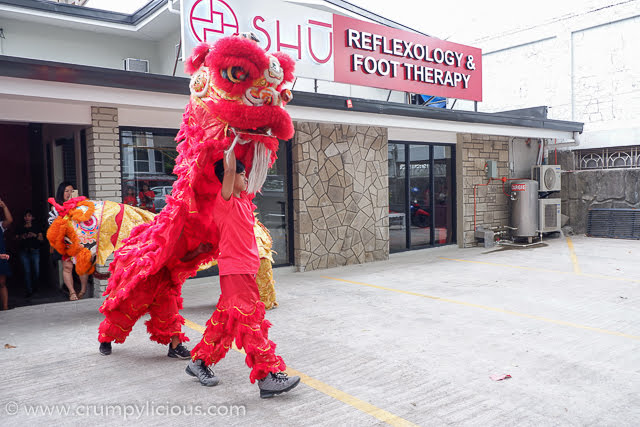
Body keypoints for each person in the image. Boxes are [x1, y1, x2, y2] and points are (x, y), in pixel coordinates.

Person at [186, 150, 300, 398]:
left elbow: (252, 170)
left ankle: (199, 362)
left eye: (245, 173)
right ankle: (267, 377)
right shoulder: (224, 201)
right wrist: (232, 144)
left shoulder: (244, 201)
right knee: (250, 322)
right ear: (228, 177)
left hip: (246, 271)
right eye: (241, 174)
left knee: (225, 322)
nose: (245, 177)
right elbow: (228, 170)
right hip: (235, 271)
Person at [52, 182, 89, 301]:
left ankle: (83, 290)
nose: (69, 193)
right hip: (64, 240)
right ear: (61, 192)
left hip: (79, 239)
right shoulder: (56, 207)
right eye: (66, 191)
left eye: (71, 191)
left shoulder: (80, 206)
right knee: (67, 267)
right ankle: (72, 292)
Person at [16, 209, 43, 297]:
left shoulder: (36, 227)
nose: (27, 218)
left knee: (36, 271)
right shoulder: (20, 227)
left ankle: (35, 287)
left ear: (32, 217)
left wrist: (35, 235)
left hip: (35, 251)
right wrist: (22, 237)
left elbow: (41, 239)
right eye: (25, 216)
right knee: (27, 271)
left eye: (29, 216)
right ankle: (29, 290)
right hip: (24, 252)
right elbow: (15, 238)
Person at [0, 198, 13, 310]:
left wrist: (4, 206)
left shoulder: (0, 225)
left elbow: (9, 220)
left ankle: (5, 307)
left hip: (1, 258)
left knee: (2, 283)